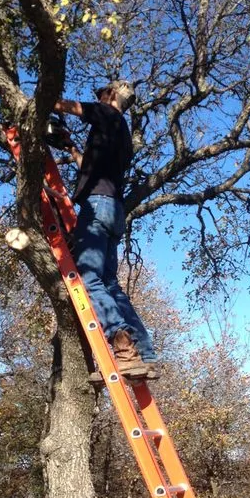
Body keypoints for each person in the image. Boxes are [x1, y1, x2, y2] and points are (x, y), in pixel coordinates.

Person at [54, 81, 158, 382]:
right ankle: (146, 355)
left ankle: (123, 350)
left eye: (101, 93)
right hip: (114, 210)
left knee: (87, 279)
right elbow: (89, 166)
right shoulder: (121, 135)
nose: (97, 96)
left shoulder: (107, 114)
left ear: (112, 95)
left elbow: (71, 107)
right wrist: (71, 147)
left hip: (98, 208)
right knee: (110, 283)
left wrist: (44, 102)